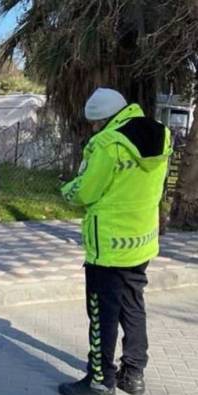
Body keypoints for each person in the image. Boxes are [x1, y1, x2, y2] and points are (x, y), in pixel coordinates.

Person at [58, 88, 172, 395]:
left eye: (95, 123)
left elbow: (85, 192)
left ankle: (100, 379)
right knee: (133, 306)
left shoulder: (107, 145)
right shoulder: (161, 134)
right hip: (141, 241)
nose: (93, 129)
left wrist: (66, 189)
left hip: (107, 246)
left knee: (101, 314)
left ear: (104, 119)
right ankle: (133, 375)